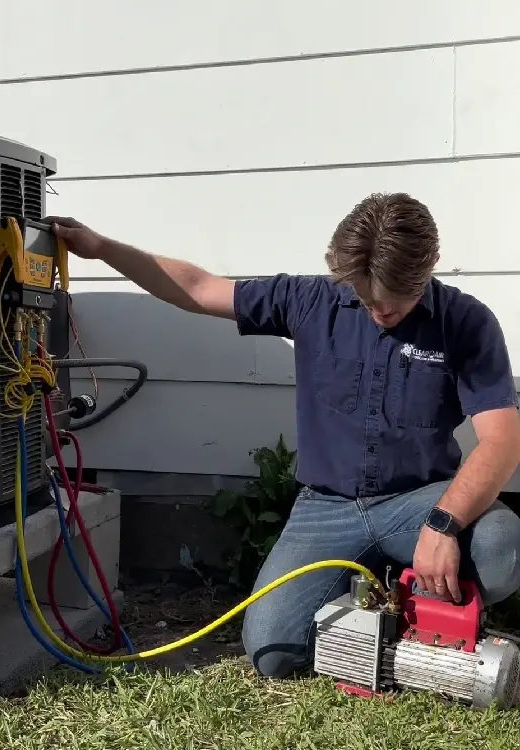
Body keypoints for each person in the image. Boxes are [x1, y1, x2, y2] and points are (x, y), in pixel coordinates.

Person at [46, 192, 520, 679]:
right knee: (273, 651)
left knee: (500, 544)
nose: (379, 310)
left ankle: (418, 609)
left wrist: (442, 525)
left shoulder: (466, 323)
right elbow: (198, 287)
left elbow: (503, 442)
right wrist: (102, 248)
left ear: (431, 266)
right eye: (365, 298)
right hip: (327, 508)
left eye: (394, 305)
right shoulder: (310, 300)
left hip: (418, 503)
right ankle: (383, 611)